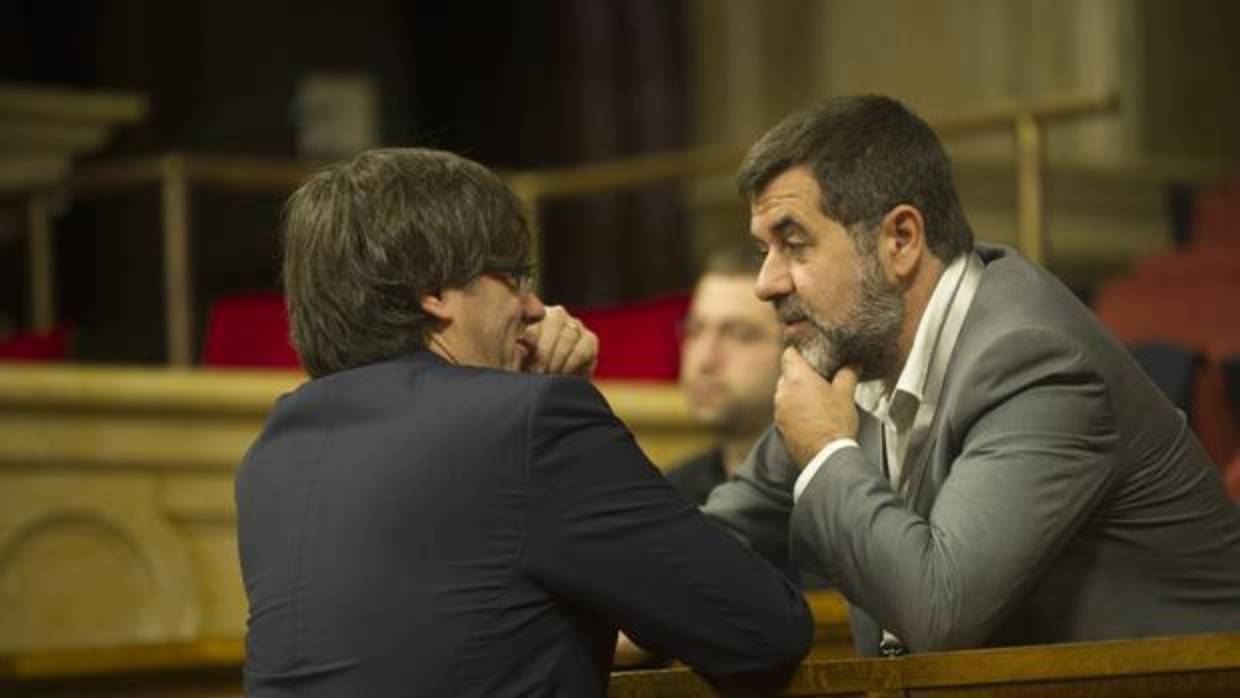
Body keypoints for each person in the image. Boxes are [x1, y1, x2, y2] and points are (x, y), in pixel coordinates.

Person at [235, 148, 811, 697]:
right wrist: (548, 401)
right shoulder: (528, 423)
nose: (534, 308)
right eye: (513, 276)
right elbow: (761, 633)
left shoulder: (275, 453)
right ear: (434, 292)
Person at [703, 95, 1240, 657]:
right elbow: (714, 545)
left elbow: (938, 614)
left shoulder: (1035, 360)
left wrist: (826, 453)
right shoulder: (851, 351)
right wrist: (630, 623)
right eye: (764, 249)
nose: (766, 282)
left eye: (794, 244)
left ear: (900, 240)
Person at [667, 242, 784, 505]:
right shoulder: (669, 497)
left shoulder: (829, 504)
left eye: (740, 335)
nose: (705, 360)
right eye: (695, 330)